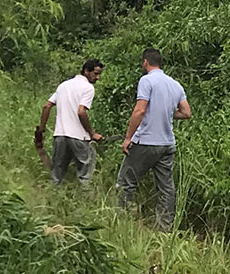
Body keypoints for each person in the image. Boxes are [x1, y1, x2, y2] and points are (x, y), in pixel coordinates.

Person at [117, 48, 191, 230]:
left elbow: (140, 110)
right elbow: (186, 113)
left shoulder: (146, 80)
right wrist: (165, 112)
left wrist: (128, 138)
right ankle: (164, 227)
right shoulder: (175, 84)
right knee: (166, 188)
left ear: (145, 62)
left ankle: (121, 221)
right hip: (167, 143)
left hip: (146, 142)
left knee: (125, 181)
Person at [37, 58, 106, 186]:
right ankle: (86, 203)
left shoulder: (64, 85)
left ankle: (54, 201)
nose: (98, 77)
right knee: (85, 175)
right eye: (95, 74)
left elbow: (47, 106)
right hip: (78, 137)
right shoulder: (88, 88)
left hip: (60, 135)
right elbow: (81, 112)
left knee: (57, 174)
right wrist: (92, 133)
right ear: (86, 71)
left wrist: (41, 130)